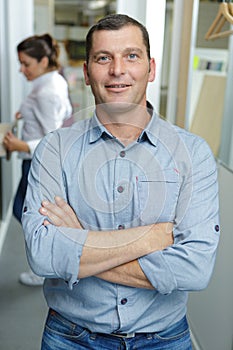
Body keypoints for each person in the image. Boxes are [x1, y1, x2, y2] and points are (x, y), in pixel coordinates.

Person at [22, 14, 220, 350]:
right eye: (103, 58)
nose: (117, 70)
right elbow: (43, 255)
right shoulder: (54, 149)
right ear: (86, 72)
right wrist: (153, 238)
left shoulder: (193, 153)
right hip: (70, 338)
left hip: (165, 339)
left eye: (131, 56)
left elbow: (194, 269)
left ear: (151, 68)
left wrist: (81, 244)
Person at [3, 33, 72, 286]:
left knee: (29, 213)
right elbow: (64, 112)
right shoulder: (54, 80)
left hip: (36, 163)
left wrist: (19, 144)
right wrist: (28, 114)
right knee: (31, 212)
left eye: (26, 64)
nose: (21, 70)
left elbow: (52, 139)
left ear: (43, 61)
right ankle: (47, 263)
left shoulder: (47, 92)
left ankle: (43, 267)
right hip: (33, 161)